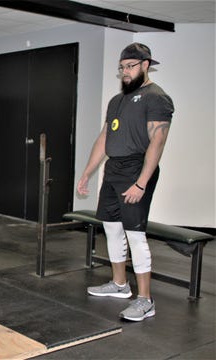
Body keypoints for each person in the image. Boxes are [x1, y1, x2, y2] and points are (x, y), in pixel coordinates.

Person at [77, 43, 173, 321]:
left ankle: (146, 300)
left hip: (137, 168)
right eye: (121, 68)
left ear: (145, 65)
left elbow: (158, 141)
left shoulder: (157, 98)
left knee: (135, 233)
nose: (125, 72)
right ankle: (120, 285)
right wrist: (87, 173)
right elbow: (104, 138)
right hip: (114, 169)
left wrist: (142, 181)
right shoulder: (117, 101)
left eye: (130, 66)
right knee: (111, 227)